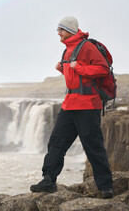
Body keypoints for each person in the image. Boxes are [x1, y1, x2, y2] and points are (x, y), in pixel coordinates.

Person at [30, 16, 113, 199]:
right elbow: (75, 76)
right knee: (56, 142)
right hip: (70, 104)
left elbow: (103, 69)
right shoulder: (67, 49)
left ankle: (106, 187)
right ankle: (49, 180)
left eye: (61, 29)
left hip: (88, 104)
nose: (58, 33)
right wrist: (63, 68)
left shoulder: (87, 46)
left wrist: (80, 68)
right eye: (57, 30)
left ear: (70, 30)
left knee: (93, 145)